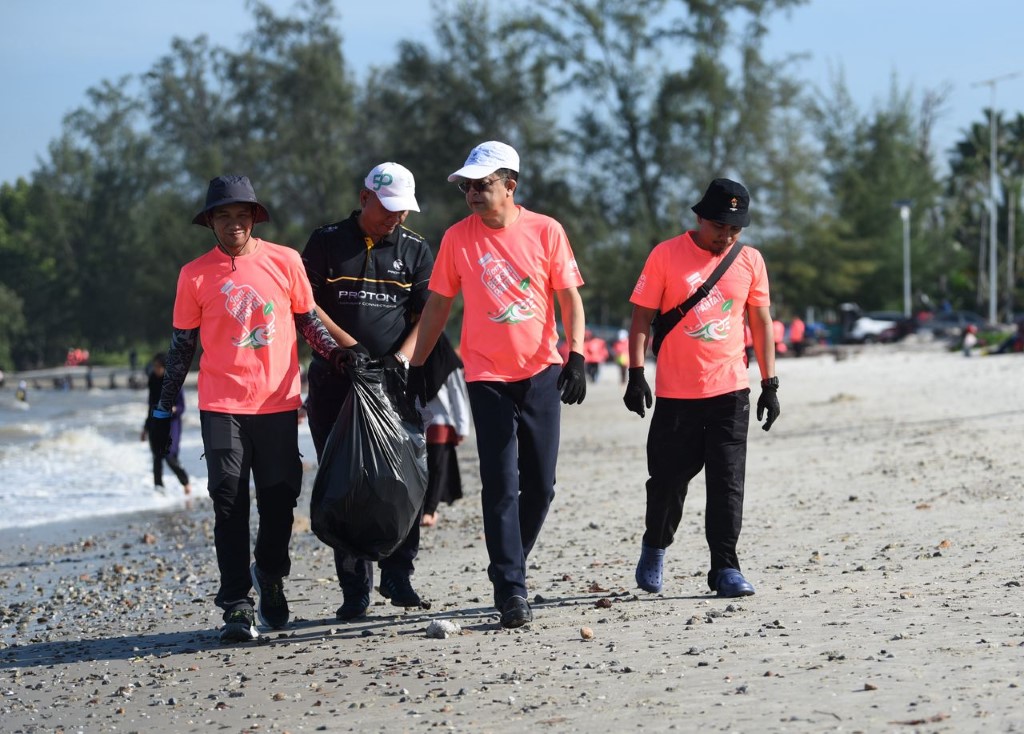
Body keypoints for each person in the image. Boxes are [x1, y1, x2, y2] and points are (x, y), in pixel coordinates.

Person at [149, 175, 358, 643]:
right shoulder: (195, 274)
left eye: (241, 214)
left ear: (253, 217)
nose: (233, 223)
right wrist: (163, 412)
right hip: (220, 404)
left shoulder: (284, 262)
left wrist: (338, 355)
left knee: (280, 498)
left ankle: (271, 573)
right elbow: (182, 347)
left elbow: (308, 325)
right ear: (210, 222)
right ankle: (237, 605)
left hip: (277, 401)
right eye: (223, 216)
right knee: (227, 499)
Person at [405, 140, 588, 629]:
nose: (472, 194)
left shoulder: (547, 231)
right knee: (501, 484)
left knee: (542, 487)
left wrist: (577, 354)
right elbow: (438, 307)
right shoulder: (456, 239)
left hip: (541, 372)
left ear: (510, 185)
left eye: (482, 185)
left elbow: (569, 299)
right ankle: (511, 588)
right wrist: (417, 367)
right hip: (485, 376)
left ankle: (511, 560)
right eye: (467, 186)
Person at [622, 178, 779, 600]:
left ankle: (725, 568)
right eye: (718, 226)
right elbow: (640, 319)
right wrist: (636, 374)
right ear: (699, 217)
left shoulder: (750, 261)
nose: (726, 235)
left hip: (730, 392)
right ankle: (655, 545)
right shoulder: (665, 255)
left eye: (734, 228)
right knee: (668, 481)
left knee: (727, 482)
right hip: (676, 395)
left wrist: (769, 383)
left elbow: (761, 324)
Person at [301, 162, 435, 621]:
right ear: (364, 198)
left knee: (407, 474)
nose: (394, 218)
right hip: (337, 382)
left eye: (402, 211)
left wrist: (402, 358)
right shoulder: (325, 242)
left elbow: (426, 314)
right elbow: (306, 303)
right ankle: (355, 587)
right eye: (387, 208)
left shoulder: (416, 249)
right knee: (346, 484)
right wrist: (347, 347)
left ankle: (399, 572)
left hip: (395, 383)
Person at [419, 334, 471, 527]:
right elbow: (457, 392)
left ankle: (426, 509)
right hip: (441, 421)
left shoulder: (416, 356)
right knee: (438, 469)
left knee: (423, 468)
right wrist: (462, 426)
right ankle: (429, 511)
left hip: (419, 421)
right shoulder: (447, 361)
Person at [141, 353, 191, 495]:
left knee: (169, 455)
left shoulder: (174, 381)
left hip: (171, 423)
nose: (155, 369)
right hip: (155, 423)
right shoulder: (152, 379)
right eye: (154, 366)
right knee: (157, 457)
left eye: (158, 366)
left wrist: (174, 409)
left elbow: (182, 407)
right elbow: (151, 405)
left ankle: (185, 481)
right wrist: (145, 428)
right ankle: (159, 490)